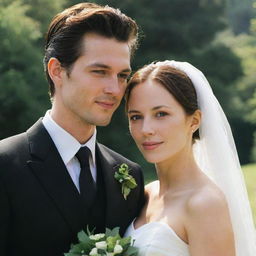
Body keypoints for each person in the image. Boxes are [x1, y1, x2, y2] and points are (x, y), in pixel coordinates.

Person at [0, 3, 145, 256]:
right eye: (99, 72)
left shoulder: (130, 175)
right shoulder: (4, 165)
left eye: (122, 76)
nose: (115, 89)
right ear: (57, 71)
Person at [124, 60, 256, 256]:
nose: (146, 130)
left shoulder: (205, 203)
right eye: (136, 117)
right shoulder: (145, 194)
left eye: (161, 114)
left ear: (194, 121)